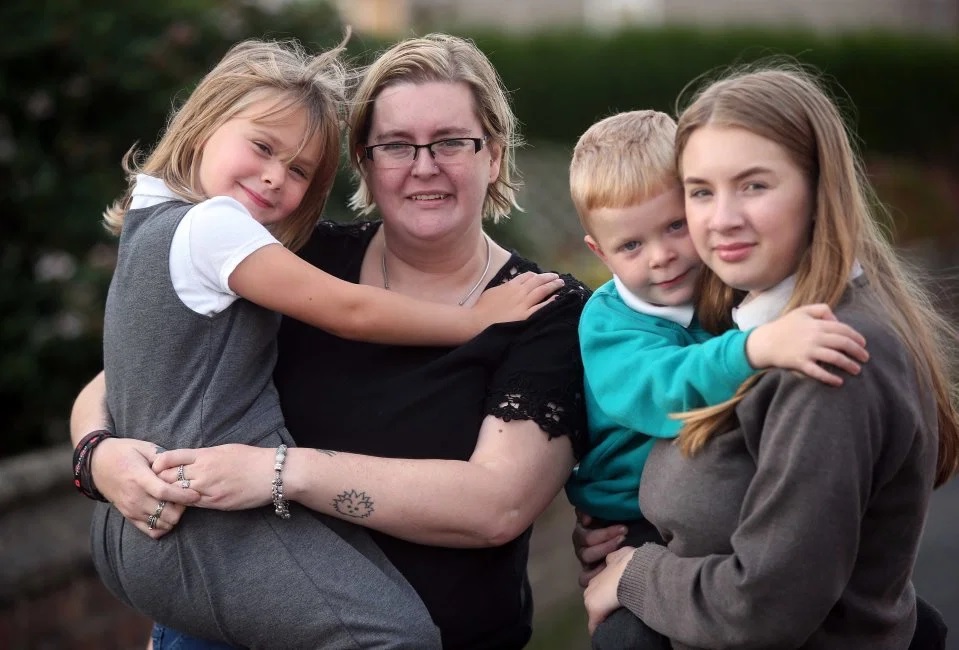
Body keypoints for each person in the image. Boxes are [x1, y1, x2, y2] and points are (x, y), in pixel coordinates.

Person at [71, 33, 589, 650]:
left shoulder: (543, 309)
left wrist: (277, 473)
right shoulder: (298, 257)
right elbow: (131, 368)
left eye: (451, 141)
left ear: (494, 155)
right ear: (365, 163)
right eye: (395, 145)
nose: (424, 165)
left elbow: (496, 506)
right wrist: (99, 456)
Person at [578, 64, 958, 649]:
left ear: (818, 188)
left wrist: (636, 574)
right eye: (702, 191)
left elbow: (766, 604)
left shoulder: (822, 355)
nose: (721, 219)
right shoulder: (748, 312)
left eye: (754, 185)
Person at [565, 109, 870, 649]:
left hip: (721, 506)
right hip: (630, 519)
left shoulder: (726, 282)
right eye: (631, 246)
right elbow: (668, 390)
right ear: (599, 252)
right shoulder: (609, 324)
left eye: (675, 226)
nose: (662, 257)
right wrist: (755, 349)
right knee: (628, 635)